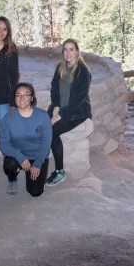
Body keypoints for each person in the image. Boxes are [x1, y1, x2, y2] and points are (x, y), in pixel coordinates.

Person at [45, 38, 92, 187]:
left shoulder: (83, 71)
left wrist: (60, 115)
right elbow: (54, 89)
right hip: (61, 108)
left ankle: (60, 172)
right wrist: (56, 106)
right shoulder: (61, 67)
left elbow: (78, 100)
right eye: (65, 49)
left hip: (77, 112)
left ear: (77, 51)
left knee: (52, 131)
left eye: (71, 49)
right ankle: (44, 153)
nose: (68, 53)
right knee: (42, 124)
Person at [0, 83, 52, 198]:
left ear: (32, 98)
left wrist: (37, 163)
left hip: (37, 155)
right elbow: (3, 144)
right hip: (18, 155)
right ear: (14, 98)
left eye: (26, 95)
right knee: (9, 165)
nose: (22, 98)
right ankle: (12, 180)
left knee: (35, 192)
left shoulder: (43, 116)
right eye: (18, 95)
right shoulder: (8, 118)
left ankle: (33, 170)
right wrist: (20, 157)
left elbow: (46, 142)